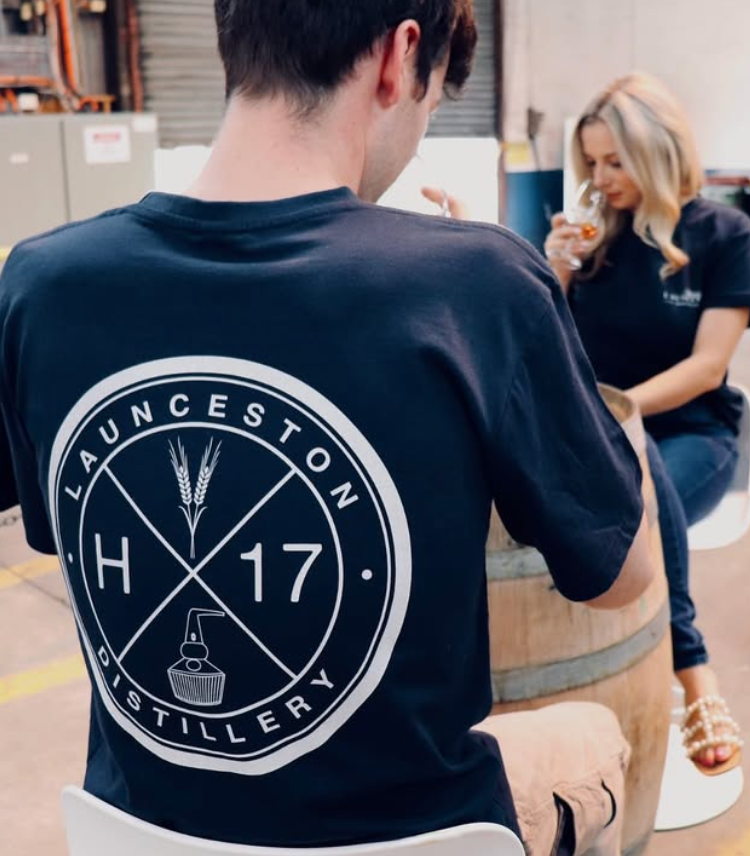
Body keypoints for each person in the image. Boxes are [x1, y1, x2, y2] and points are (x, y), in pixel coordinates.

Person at [0, 4, 657, 855]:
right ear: (398, 58)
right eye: (429, 106)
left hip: (136, 832)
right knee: (595, 736)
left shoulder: (42, 284)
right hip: (413, 838)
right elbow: (621, 575)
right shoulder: (478, 285)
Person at [545, 72, 750, 775]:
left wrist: (622, 416)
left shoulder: (723, 235)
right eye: (591, 163)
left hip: (694, 435)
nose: (600, 178)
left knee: (641, 479)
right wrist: (555, 271)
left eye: (616, 161)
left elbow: (706, 368)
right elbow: (541, 346)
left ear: (659, 152)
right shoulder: (590, 240)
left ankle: (692, 670)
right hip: (598, 438)